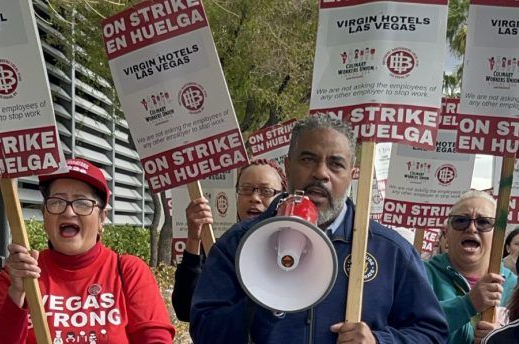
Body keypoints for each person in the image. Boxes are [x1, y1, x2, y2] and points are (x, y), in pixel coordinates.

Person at [190, 116, 448, 343]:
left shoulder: (389, 251)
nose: (321, 173)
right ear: (288, 165)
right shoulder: (237, 244)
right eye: (308, 159)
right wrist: (262, 307)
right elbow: (204, 332)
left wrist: (379, 342)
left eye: (336, 164)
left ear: (352, 174)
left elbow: (431, 333)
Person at [0, 158, 175, 343]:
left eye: (82, 203)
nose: (68, 212)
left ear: (101, 218)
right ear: (44, 216)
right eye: (56, 202)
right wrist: (16, 294)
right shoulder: (19, 275)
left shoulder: (129, 271)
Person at [172, 159, 286, 322]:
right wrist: (193, 238)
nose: (254, 198)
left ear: (283, 196)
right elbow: (185, 309)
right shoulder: (223, 251)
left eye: (266, 191)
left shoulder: (296, 247)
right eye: (246, 189)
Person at [423, 190, 515, 344]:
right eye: (461, 221)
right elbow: (410, 324)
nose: (471, 228)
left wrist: (504, 338)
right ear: (446, 233)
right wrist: (468, 304)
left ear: (499, 235)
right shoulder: (421, 274)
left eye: (483, 222)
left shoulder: (517, 286)